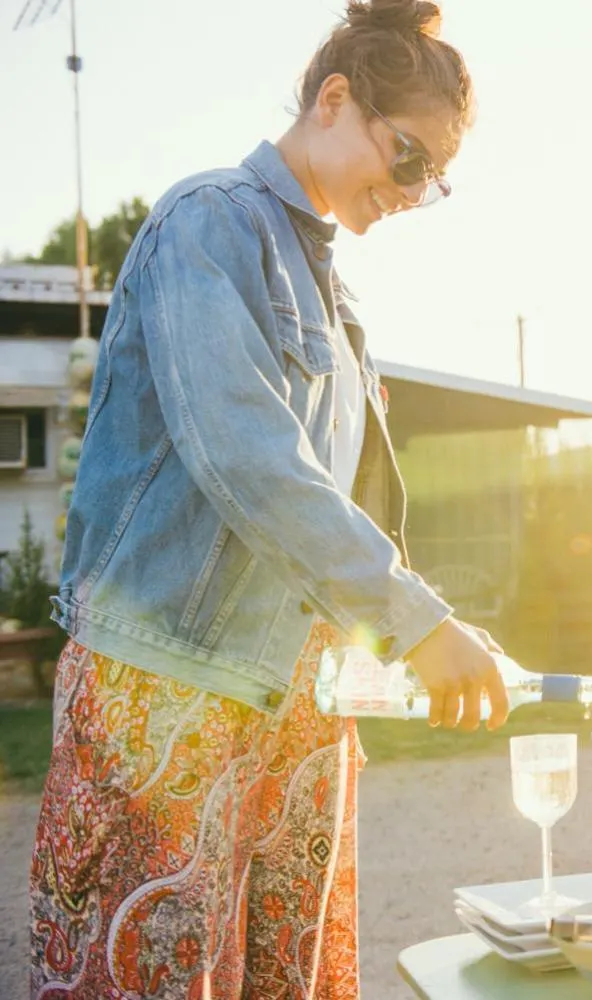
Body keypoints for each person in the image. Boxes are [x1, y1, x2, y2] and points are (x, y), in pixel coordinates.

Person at [29, 2, 504, 996]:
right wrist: (417, 619)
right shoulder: (206, 224)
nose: (416, 193)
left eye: (437, 180)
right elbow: (247, 457)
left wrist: (410, 634)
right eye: (410, 158)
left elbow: (340, 510)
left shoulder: (339, 302)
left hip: (300, 710)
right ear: (335, 98)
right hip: (163, 692)